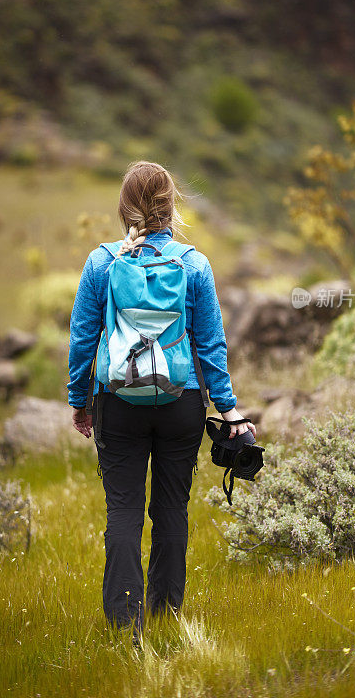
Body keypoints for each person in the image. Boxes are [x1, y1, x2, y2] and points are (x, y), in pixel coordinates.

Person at [66, 160, 257, 639]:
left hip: (119, 403)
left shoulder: (102, 262)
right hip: (182, 404)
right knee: (171, 510)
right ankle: (167, 615)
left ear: (124, 208)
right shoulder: (193, 264)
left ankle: (124, 626)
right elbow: (211, 346)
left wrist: (79, 399)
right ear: (171, 206)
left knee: (124, 513)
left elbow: (83, 339)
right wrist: (228, 409)